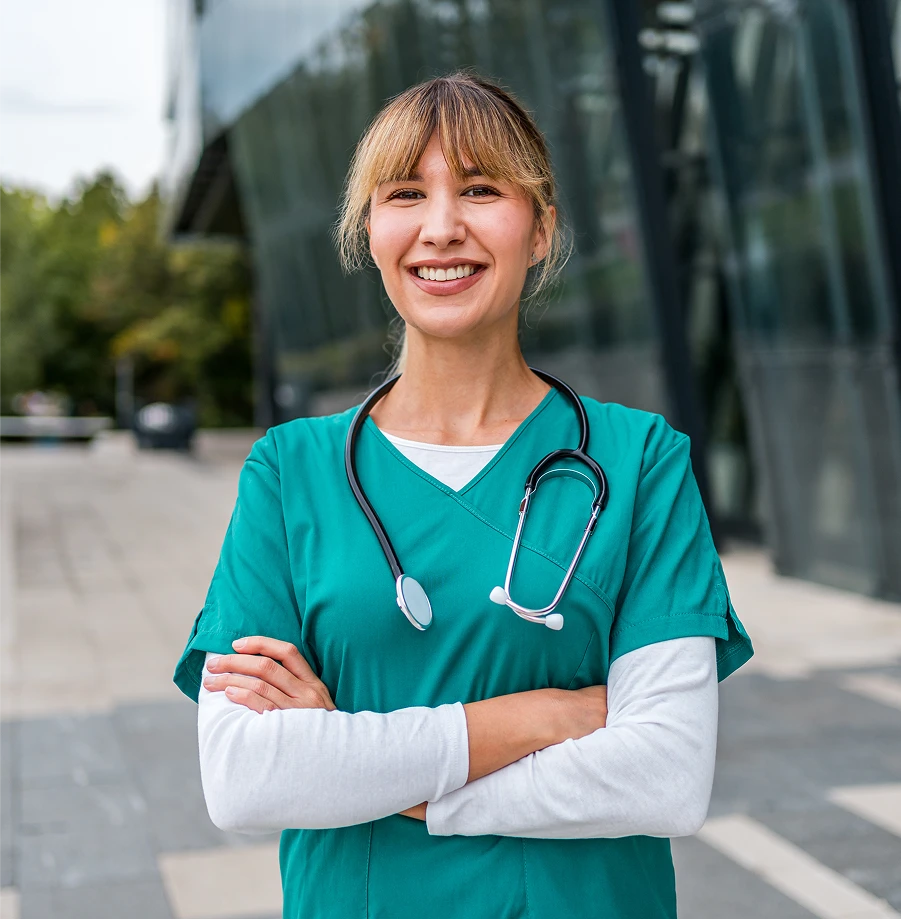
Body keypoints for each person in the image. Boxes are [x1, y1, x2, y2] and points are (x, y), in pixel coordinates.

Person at [173, 72, 753, 920]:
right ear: (370, 230)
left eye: (481, 190)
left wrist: (389, 778)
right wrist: (531, 719)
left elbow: (662, 778)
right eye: (405, 194)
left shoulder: (638, 463)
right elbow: (246, 779)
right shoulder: (289, 472)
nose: (441, 228)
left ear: (541, 228)